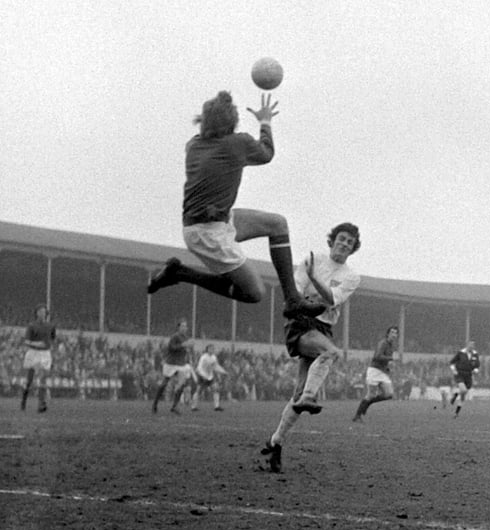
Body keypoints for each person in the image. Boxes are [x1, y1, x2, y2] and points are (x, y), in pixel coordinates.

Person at [146, 90, 324, 321]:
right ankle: (181, 273)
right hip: (207, 233)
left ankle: (293, 300)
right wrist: (265, 121)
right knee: (254, 293)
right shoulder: (237, 144)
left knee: (277, 225)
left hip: (214, 221)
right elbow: (266, 153)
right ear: (232, 123)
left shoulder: (194, 145)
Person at [259, 223, 361, 473]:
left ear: (353, 248)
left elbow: (332, 299)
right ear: (332, 240)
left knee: (297, 395)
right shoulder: (313, 259)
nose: (345, 244)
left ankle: (275, 442)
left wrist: (315, 279)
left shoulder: (351, 276)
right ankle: (309, 397)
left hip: (323, 328)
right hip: (301, 322)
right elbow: (295, 290)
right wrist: (309, 287)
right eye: (342, 238)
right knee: (331, 353)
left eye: (350, 242)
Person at [352, 326, 399, 422]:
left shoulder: (392, 346)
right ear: (388, 334)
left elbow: (384, 359)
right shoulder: (383, 343)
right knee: (370, 395)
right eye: (392, 332)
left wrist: (387, 368)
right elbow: (377, 356)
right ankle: (357, 416)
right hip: (374, 371)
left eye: (395, 333)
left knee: (389, 394)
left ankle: (368, 404)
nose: (394, 335)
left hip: (382, 372)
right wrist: (391, 359)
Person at [152, 319, 194, 415]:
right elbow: (172, 348)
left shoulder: (185, 337)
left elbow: (185, 350)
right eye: (182, 326)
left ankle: (174, 406)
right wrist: (183, 345)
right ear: (178, 327)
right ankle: (155, 403)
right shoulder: (175, 336)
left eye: (186, 326)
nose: (185, 328)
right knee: (164, 384)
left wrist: (189, 348)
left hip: (180, 364)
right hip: (171, 363)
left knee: (182, 384)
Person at [20, 304, 55, 413]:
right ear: (36, 313)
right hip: (33, 353)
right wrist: (37, 344)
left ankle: (41, 404)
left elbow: (51, 340)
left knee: (43, 379)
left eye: (44, 311)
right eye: (40, 311)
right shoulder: (31, 326)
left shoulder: (51, 326)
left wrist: (45, 345)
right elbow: (26, 341)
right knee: (29, 380)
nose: (42, 313)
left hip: (45, 354)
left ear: (46, 313)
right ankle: (24, 400)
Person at [190, 344, 228, 411]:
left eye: (213, 349)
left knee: (216, 389)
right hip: (202, 376)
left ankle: (217, 407)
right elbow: (199, 368)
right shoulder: (203, 357)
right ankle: (193, 407)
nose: (212, 350)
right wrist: (203, 376)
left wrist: (223, 372)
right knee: (198, 391)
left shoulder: (214, 357)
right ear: (207, 350)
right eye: (210, 348)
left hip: (210, 377)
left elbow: (216, 366)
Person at [449, 340, 480, 418]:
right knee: (463, 390)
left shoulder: (475, 354)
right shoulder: (460, 353)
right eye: (470, 345)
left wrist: (476, 370)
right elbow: (452, 362)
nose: (472, 346)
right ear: (467, 345)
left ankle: (456, 412)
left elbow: (477, 365)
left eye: (473, 345)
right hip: (460, 374)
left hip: (469, 375)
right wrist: (454, 370)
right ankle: (456, 395)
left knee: (463, 396)